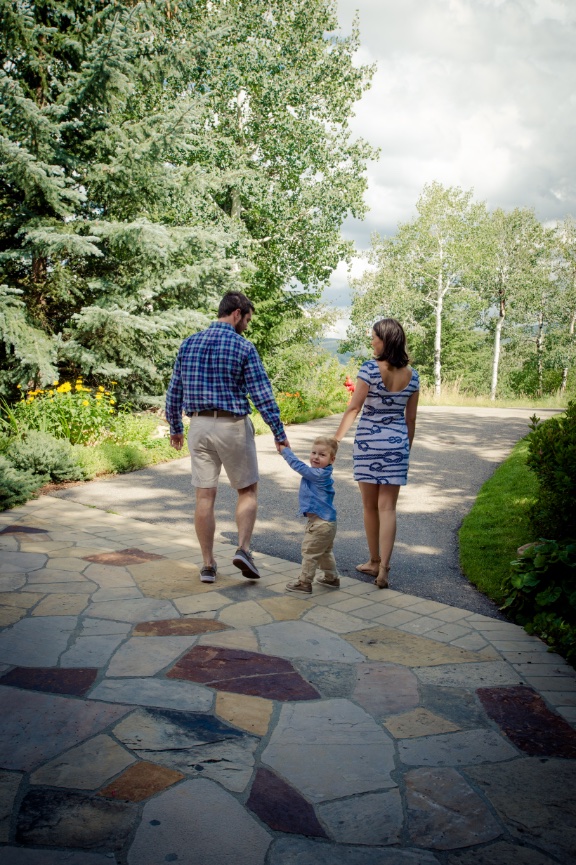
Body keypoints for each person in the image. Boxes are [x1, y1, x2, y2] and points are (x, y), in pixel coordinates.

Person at [166, 291, 289, 584]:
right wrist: (279, 433)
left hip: (198, 426)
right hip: (232, 425)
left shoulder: (189, 343)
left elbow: (174, 391)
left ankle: (208, 565)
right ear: (237, 313)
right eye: (247, 319)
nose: (246, 325)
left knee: (204, 495)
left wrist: (175, 427)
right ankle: (243, 549)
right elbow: (263, 396)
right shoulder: (243, 347)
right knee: (246, 490)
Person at [334, 318, 419, 589]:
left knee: (370, 507)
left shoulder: (370, 369)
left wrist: (335, 440)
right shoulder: (412, 375)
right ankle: (384, 569)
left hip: (369, 446)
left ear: (385, 340)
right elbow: (411, 420)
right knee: (388, 508)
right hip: (397, 446)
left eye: (374, 337)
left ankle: (373, 560)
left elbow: (353, 408)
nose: (371, 341)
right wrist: (406, 448)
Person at [278, 436, 340, 595]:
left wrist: (286, 452)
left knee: (309, 553)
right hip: (328, 523)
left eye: (322, 455)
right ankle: (331, 578)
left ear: (332, 459)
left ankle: (304, 583)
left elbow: (298, 466)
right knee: (324, 552)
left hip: (320, 524)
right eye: (313, 453)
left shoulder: (318, 474)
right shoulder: (323, 473)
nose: (316, 457)